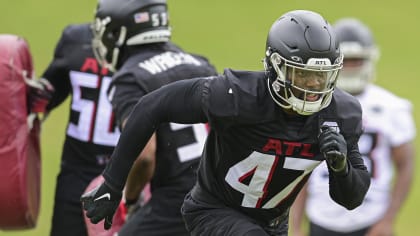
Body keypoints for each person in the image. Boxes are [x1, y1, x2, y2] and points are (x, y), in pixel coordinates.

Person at [82, 10, 371, 236]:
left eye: (321, 77)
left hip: (271, 222)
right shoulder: (237, 96)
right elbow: (153, 105)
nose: (312, 86)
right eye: (302, 75)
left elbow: (351, 199)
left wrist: (341, 168)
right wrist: (112, 181)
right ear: (275, 67)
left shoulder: (342, 114)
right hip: (213, 209)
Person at [88, 0, 217, 235]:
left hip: (177, 203)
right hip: (219, 196)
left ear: (119, 33)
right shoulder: (201, 64)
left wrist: (131, 199)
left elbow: (144, 156)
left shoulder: (130, 78)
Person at [291, 18, 416, 236]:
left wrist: (388, 219)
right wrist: (295, 225)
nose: (349, 67)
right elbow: (301, 169)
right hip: (322, 216)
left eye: (355, 60)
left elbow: (405, 165)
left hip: (372, 219)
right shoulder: (312, 105)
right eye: (345, 60)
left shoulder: (392, 107)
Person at [38, 23, 127, 236]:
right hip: (77, 172)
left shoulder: (152, 53)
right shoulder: (76, 40)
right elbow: (44, 99)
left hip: (128, 177)